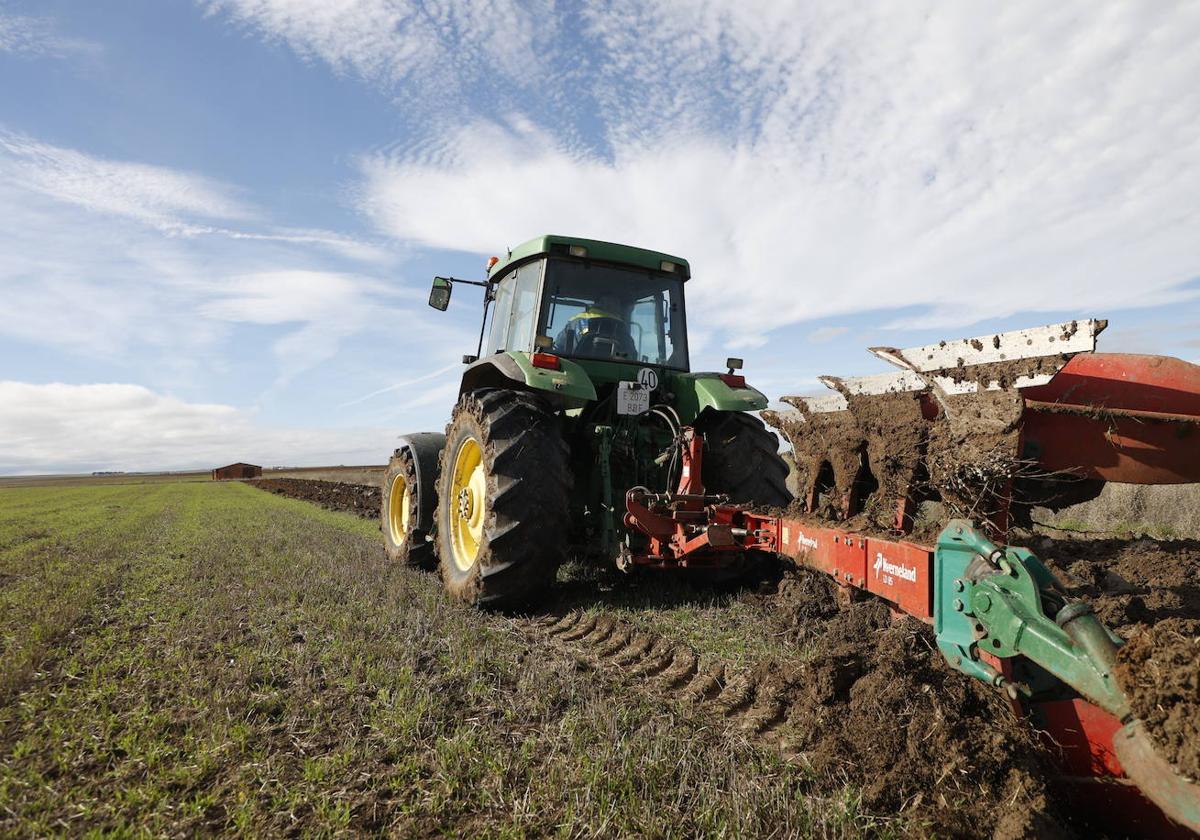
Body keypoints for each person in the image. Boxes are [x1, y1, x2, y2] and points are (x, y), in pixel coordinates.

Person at [555, 293, 638, 359]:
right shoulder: (620, 326)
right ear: (604, 304)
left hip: (576, 367)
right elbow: (631, 354)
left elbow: (558, 347)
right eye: (617, 303)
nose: (618, 307)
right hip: (614, 369)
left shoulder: (575, 321)